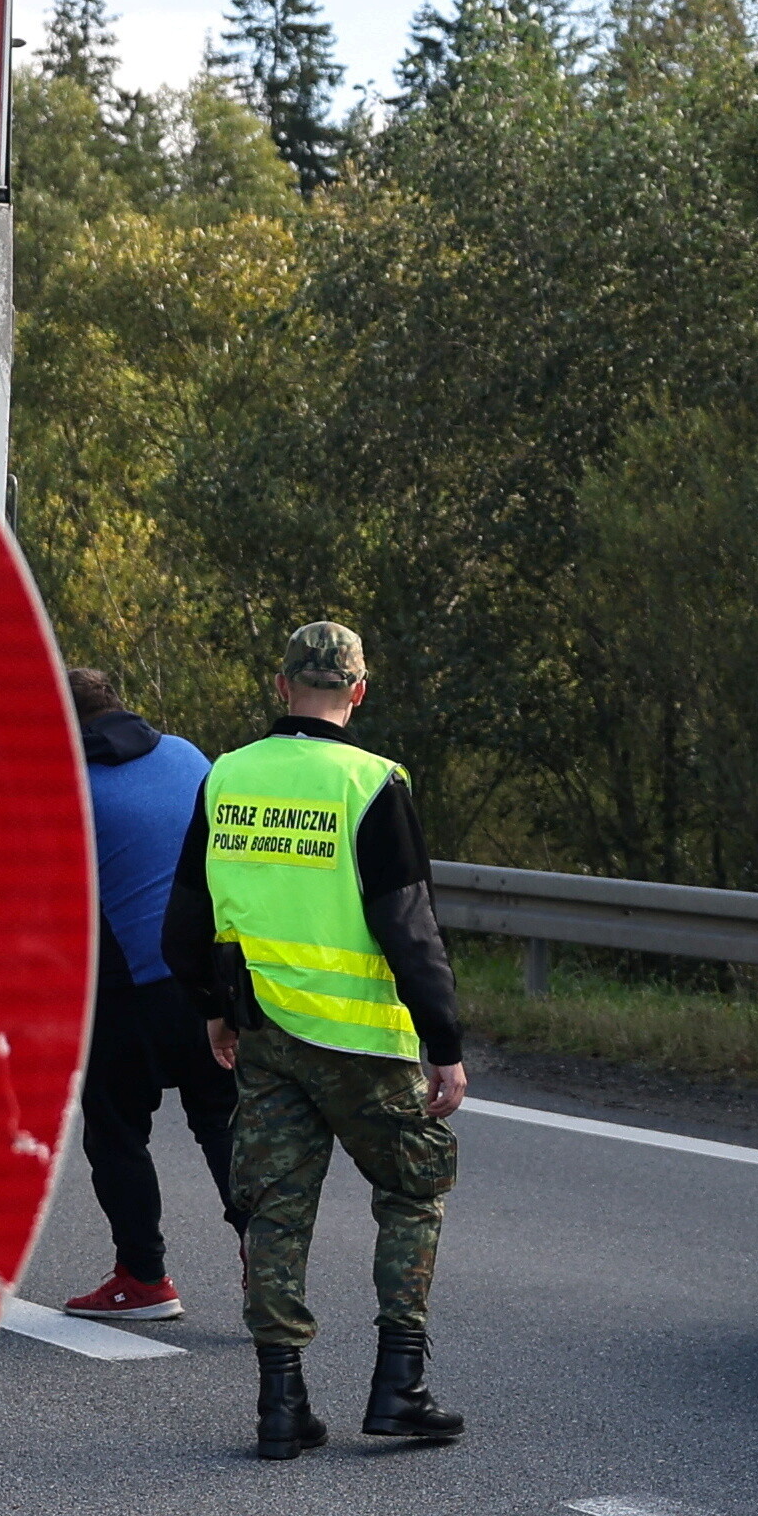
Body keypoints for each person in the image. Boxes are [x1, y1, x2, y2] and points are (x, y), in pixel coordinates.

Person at [161, 619, 473, 1460]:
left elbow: (184, 925)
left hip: (265, 1037)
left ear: (280, 685)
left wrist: (213, 1008)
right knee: (412, 1191)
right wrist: (443, 1042)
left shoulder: (227, 779)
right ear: (358, 691)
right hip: (368, 1046)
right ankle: (398, 1384)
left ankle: (280, 1402)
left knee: (275, 1210)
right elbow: (410, 928)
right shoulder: (371, 784)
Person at [56, 665, 235, 1323]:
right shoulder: (189, 756)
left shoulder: (67, 788)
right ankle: (266, 1266)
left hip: (132, 987)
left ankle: (144, 1278)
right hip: (215, 982)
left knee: (115, 1131)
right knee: (221, 1121)